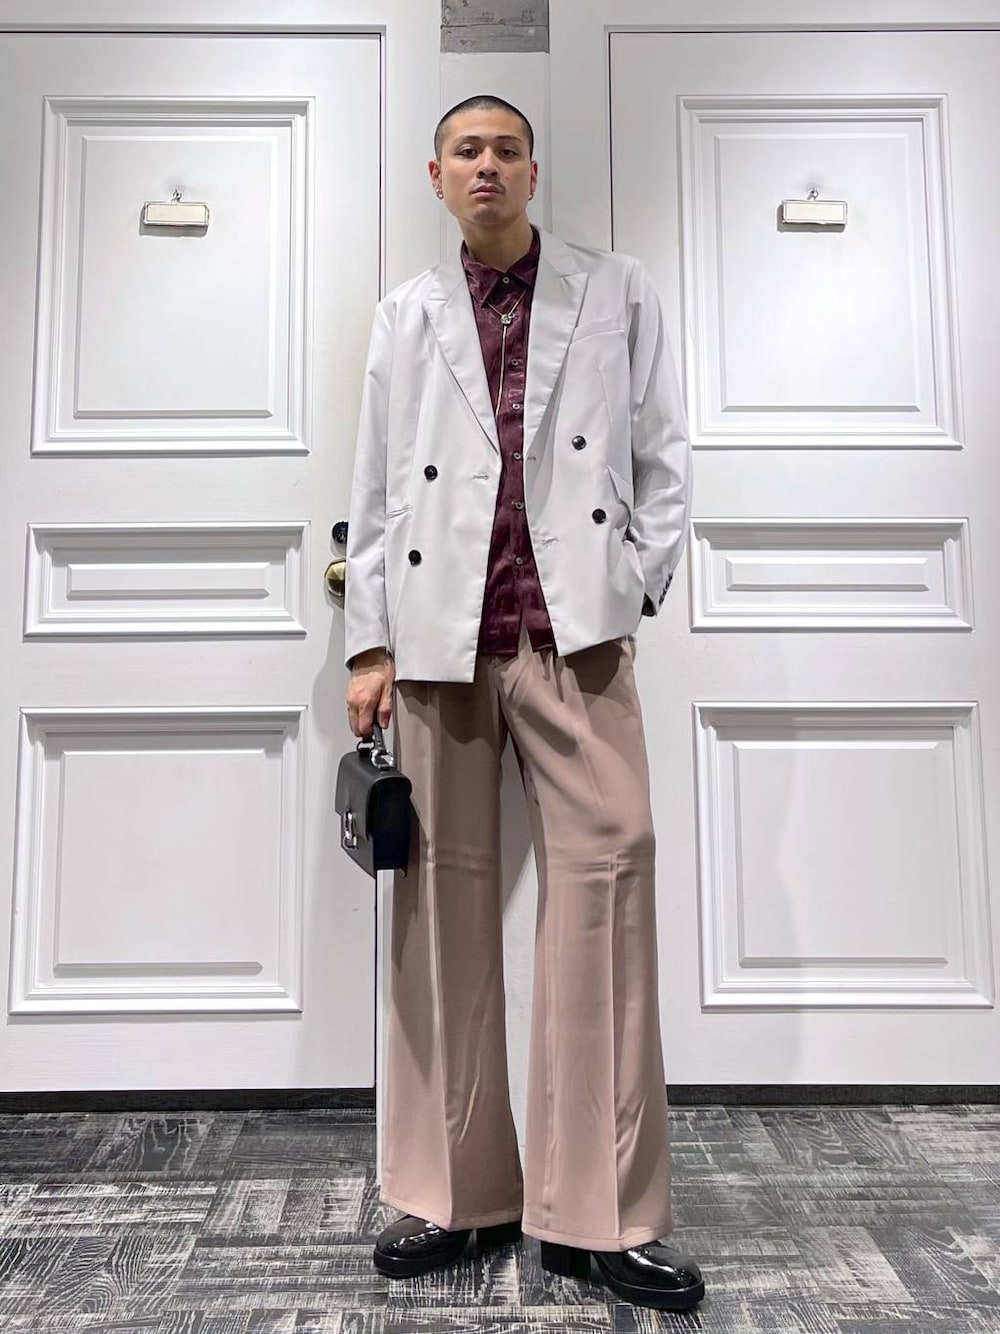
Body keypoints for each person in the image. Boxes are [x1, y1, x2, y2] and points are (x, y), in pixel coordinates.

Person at [343, 94, 703, 1313]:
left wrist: (635, 579)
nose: (486, 165)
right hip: (438, 639)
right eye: (467, 151)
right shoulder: (406, 313)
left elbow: (663, 451)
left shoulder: (616, 289)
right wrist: (368, 643)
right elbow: (376, 487)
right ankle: (458, 1194)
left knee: (610, 876)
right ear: (435, 174)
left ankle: (602, 1214)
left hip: (574, 633)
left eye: (505, 149)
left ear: (533, 171)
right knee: (440, 914)